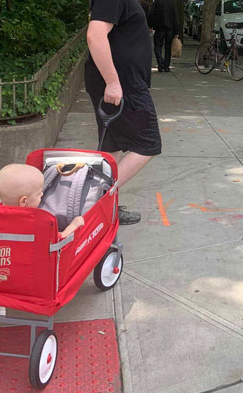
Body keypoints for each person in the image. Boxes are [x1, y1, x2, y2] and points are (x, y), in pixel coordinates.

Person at [84, 0, 162, 225]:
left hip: (123, 82)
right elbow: (95, 35)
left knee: (112, 145)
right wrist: (113, 82)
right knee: (148, 144)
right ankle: (97, 199)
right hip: (123, 85)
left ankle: (106, 208)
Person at [0, 163, 85, 238]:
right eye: (38, 193)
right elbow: (60, 239)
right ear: (23, 201)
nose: (42, 194)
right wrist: (74, 225)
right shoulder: (38, 224)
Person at [148, 0, 180, 72]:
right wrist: (176, 31)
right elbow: (175, 16)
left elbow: (152, 13)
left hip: (159, 28)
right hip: (170, 28)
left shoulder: (157, 2)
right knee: (168, 48)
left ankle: (160, 60)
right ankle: (166, 66)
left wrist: (150, 25)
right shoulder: (172, 2)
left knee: (157, 46)